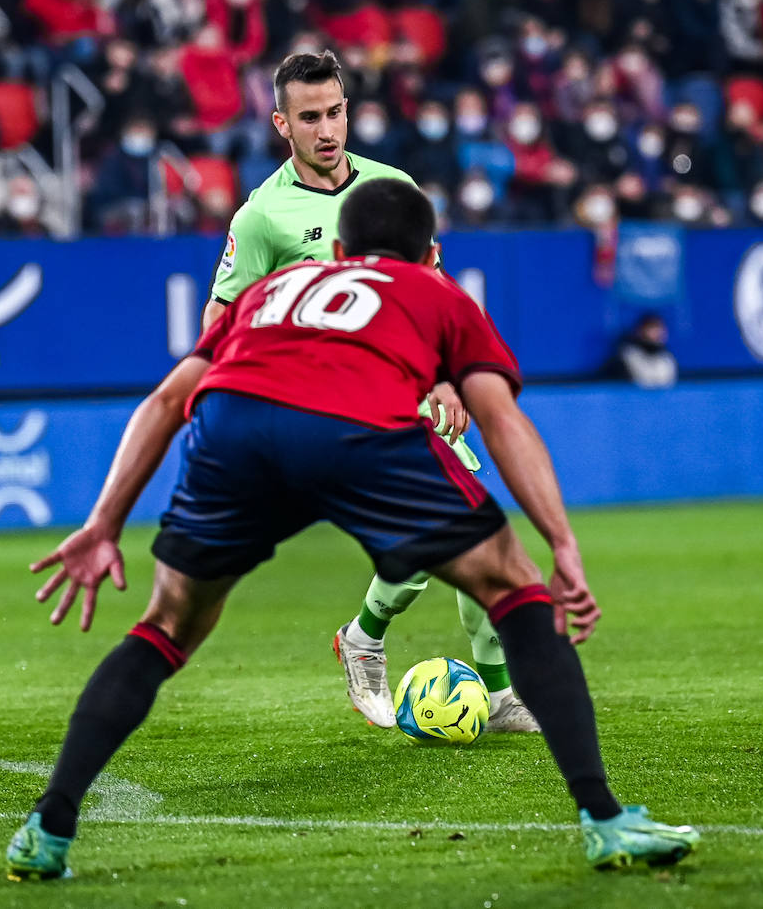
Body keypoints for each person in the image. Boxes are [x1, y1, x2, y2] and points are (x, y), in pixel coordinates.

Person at [4, 178, 700, 880]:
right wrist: (562, 542)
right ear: (430, 252)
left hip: (233, 430)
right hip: (354, 426)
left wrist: (104, 524)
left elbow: (166, 400)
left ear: (337, 250)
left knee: (167, 625)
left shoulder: (267, 294)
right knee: (513, 588)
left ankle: (50, 824)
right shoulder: (437, 292)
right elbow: (500, 418)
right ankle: (605, 820)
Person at [201, 50, 539, 734]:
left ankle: (493, 692)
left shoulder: (393, 189)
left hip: (404, 392)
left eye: (334, 113)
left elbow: (431, 293)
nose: (326, 130)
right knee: (443, 532)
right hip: (324, 406)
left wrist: (445, 374)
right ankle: (367, 635)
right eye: (309, 118)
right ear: (281, 124)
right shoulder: (261, 217)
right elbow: (219, 319)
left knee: (476, 530)